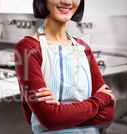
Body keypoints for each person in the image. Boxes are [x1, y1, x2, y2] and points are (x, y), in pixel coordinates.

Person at [14, 0, 116, 133]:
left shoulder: (83, 48)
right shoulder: (28, 48)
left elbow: (108, 114)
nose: (67, 1)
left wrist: (61, 115)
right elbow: (50, 119)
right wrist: (101, 99)